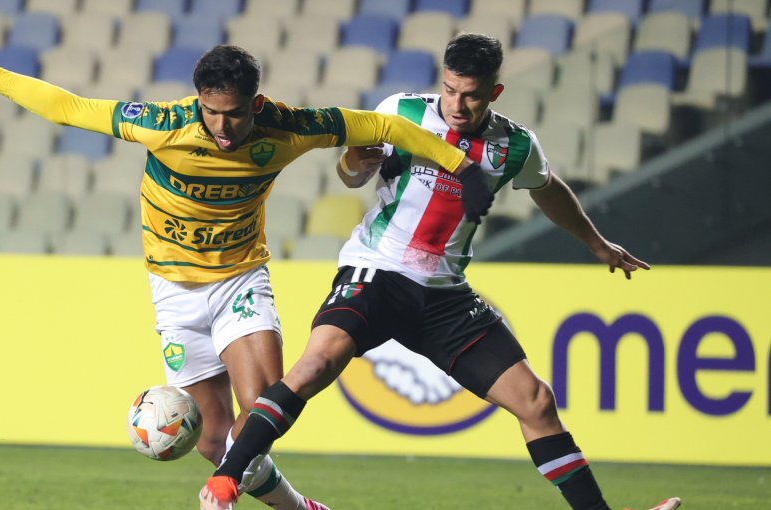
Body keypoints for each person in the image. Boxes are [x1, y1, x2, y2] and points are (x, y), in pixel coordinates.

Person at [0, 32, 494, 510]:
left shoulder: (289, 127)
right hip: (173, 291)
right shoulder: (164, 124)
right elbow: (69, 107)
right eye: (213, 111)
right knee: (212, 442)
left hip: (238, 282)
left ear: (257, 101)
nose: (224, 128)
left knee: (262, 408)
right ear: (198, 99)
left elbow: (383, 126)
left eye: (236, 112)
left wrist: (459, 165)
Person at [201, 33, 681, 510]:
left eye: (471, 94)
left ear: (494, 92)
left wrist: (597, 245)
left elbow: (547, 188)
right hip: (378, 270)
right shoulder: (402, 112)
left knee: (535, 401)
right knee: (317, 363)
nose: (458, 103)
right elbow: (351, 172)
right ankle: (225, 481)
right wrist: (353, 164)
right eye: (450, 89)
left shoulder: (514, 145)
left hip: (445, 295)